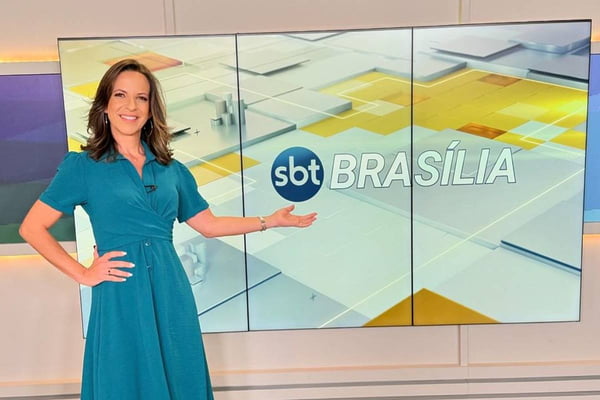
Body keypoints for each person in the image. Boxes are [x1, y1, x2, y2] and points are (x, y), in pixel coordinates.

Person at [19, 58, 317, 399]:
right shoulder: (83, 167)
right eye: (120, 95)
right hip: (120, 291)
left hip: (170, 287)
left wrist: (270, 221)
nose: (131, 106)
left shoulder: (171, 169)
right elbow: (33, 227)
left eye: (141, 98)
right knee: (123, 379)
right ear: (104, 105)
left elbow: (208, 224)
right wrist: (82, 273)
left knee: (180, 373)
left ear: (150, 109)